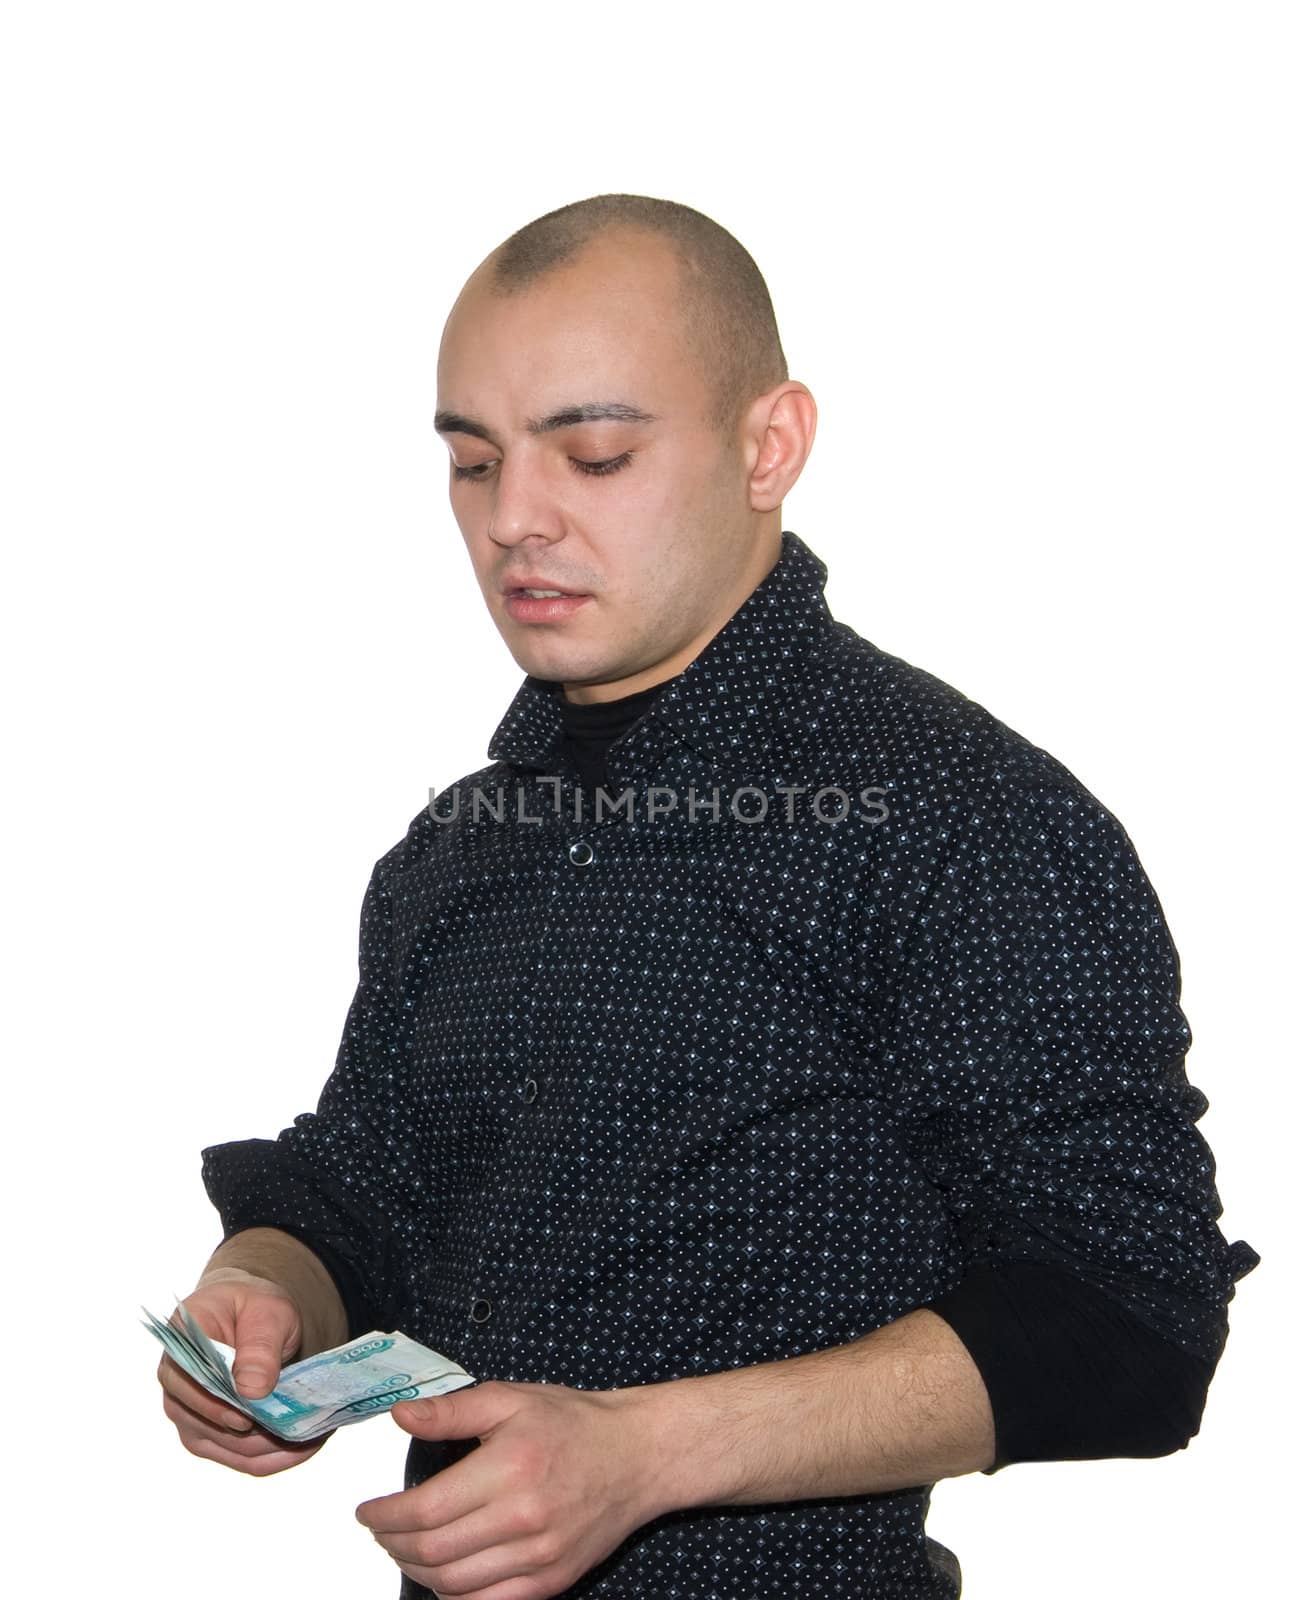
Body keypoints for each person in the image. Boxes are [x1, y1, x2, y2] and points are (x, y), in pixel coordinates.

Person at [157, 193, 1260, 1600]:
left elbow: (1128, 1320)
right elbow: (368, 1185)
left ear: (768, 446)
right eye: (473, 462)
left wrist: (646, 1453)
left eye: (595, 453)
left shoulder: (967, 818)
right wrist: (266, 1299)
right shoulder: (460, 842)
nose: (515, 520)